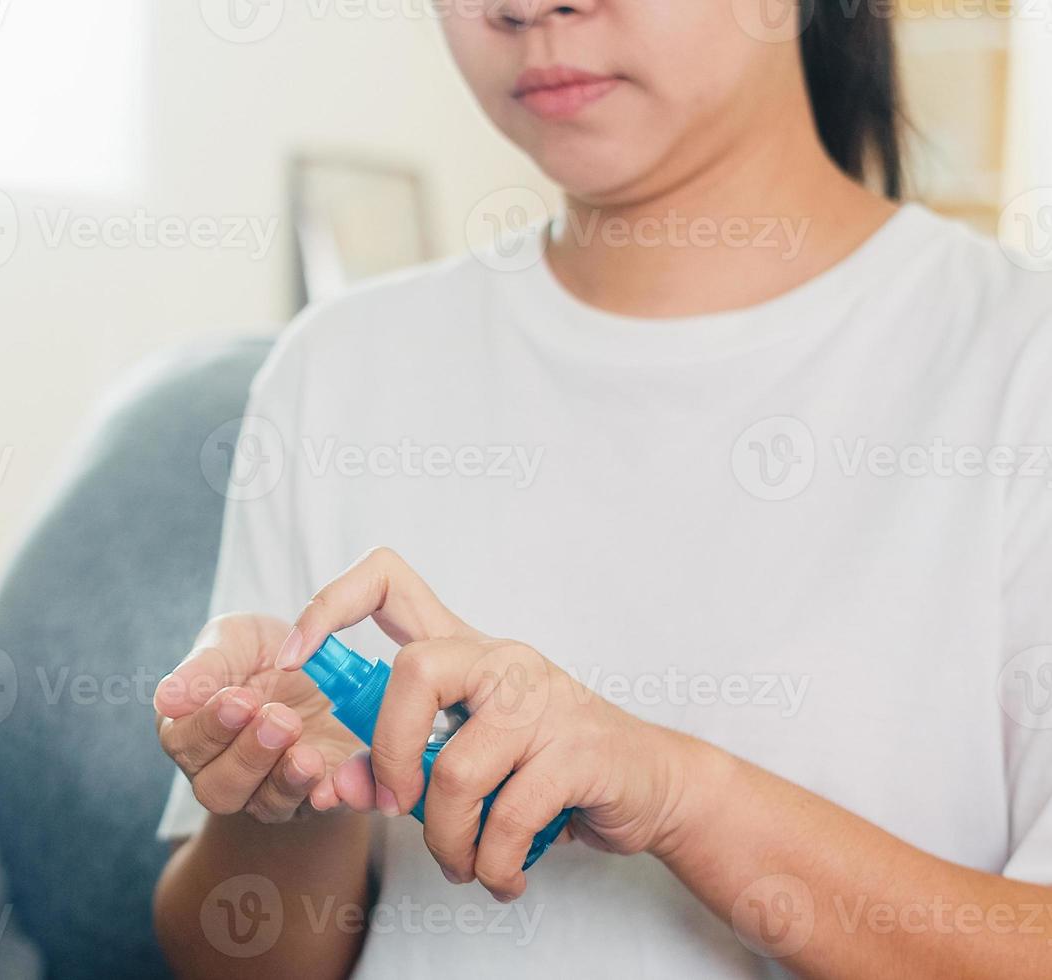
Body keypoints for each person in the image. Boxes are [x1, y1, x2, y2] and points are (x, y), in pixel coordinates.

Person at [150, 1, 1052, 976]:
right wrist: (281, 795)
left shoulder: (1015, 366)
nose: (525, 6)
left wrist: (674, 793)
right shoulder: (334, 368)